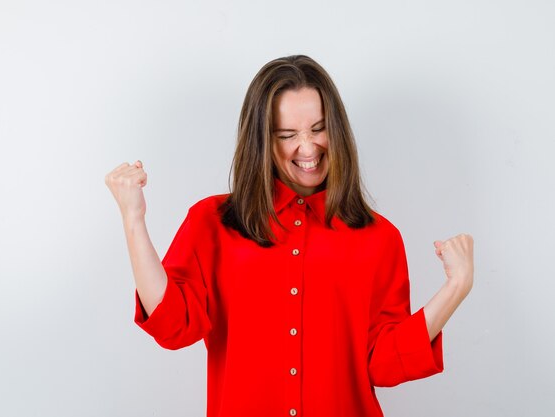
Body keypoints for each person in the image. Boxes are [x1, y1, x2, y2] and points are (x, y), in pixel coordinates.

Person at [104, 55, 474, 417]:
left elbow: (384, 366)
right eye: (287, 135)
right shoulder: (213, 222)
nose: (309, 147)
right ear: (262, 140)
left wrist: (455, 288)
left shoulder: (379, 237)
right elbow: (172, 326)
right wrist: (133, 220)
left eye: (318, 128)